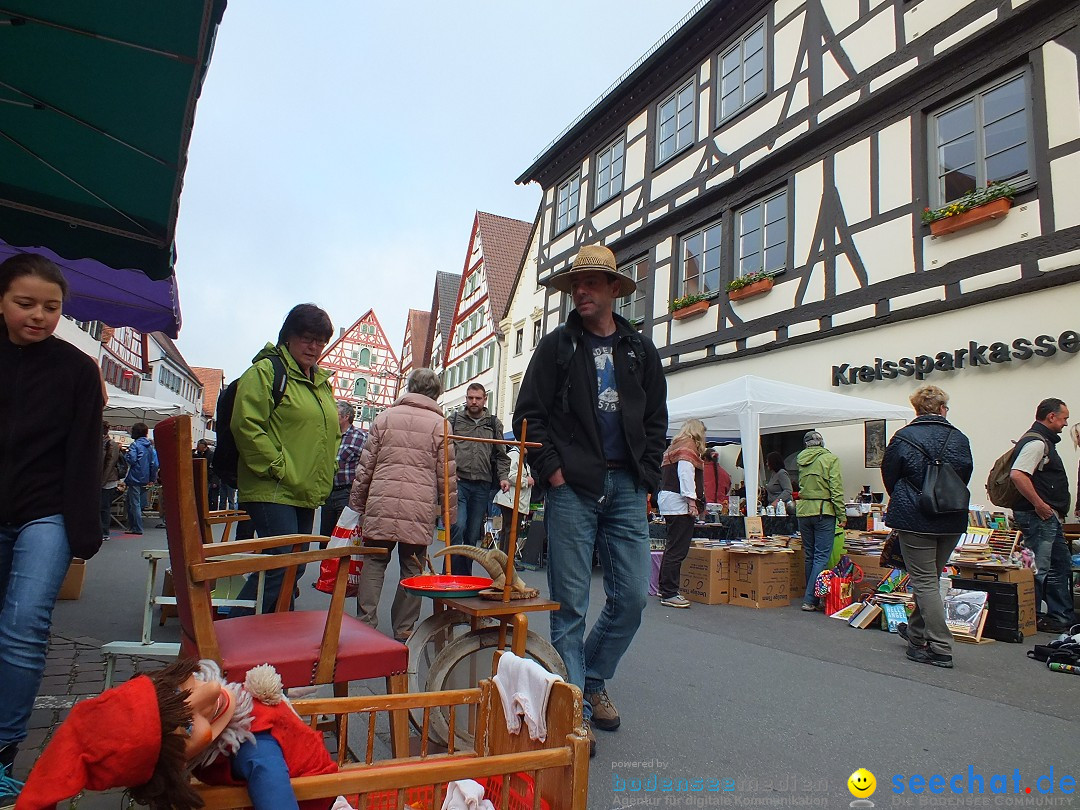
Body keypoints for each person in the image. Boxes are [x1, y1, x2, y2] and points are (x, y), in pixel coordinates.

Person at [513, 244, 667, 755]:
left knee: (633, 599)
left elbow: (655, 422)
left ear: (612, 290)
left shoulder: (638, 350)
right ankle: (573, 707)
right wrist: (553, 473)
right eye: (576, 283)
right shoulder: (558, 346)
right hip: (572, 490)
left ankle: (593, 678)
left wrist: (645, 478)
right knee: (570, 607)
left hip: (625, 486)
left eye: (591, 283)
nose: (580, 290)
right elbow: (528, 416)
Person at [0, 253, 105, 807]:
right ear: (1, 301)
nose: (38, 315)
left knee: (23, 623)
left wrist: (83, 529)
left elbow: (86, 451)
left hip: (48, 510)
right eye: (25, 303)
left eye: (51, 306)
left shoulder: (76, 369)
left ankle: (2, 753)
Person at [17, 659, 339, 810]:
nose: (211, 690)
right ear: (171, 766)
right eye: (187, 726)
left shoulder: (253, 745)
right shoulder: (247, 746)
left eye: (182, 688)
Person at [232, 304, 339, 614]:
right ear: (288, 337)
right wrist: (277, 467)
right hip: (273, 487)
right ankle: (228, 638)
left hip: (303, 490)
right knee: (280, 564)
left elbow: (328, 434)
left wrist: (325, 471)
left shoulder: (320, 382)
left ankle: (274, 636)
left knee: (294, 567)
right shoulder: (266, 372)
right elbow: (246, 425)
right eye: (307, 338)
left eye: (320, 341)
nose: (315, 347)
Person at [348, 369, 456, 642]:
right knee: (412, 568)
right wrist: (448, 515)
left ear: (410, 387)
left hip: (381, 501)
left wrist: (357, 502)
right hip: (418, 508)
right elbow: (447, 476)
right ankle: (404, 630)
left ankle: (365, 622)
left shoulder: (385, 417)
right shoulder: (441, 424)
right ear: (436, 393)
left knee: (374, 562)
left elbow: (366, 466)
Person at [881, 385, 973, 668]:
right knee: (929, 578)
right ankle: (917, 633)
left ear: (917, 409)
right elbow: (964, 473)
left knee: (924, 580)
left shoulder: (903, 438)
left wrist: (906, 497)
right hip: (950, 515)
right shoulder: (958, 437)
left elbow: (890, 475)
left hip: (914, 515)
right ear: (942, 408)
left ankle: (941, 646)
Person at [1009, 397, 1076, 633]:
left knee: (1060, 565)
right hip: (1039, 516)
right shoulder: (1037, 443)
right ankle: (1032, 615)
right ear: (1051, 417)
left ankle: (1060, 616)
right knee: (1040, 568)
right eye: (1064, 418)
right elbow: (1018, 475)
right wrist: (1040, 505)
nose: (1066, 424)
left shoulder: (1042, 441)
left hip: (1047, 516)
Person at [448, 383, 509, 576]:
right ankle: (450, 575)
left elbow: (501, 454)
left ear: (485, 399)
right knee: (458, 527)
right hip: (459, 483)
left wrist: (504, 477)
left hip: (482, 485)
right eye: (470, 398)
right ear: (466, 399)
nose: (473, 402)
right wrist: (448, 471)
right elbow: (442, 448)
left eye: (478, 398)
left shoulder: (493, 423)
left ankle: (464, 578)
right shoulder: (454, 420)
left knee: (473, 534)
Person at [656, 419, 707, 609]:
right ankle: (669, 592)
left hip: (669, 499)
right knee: (678, 549)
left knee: (672, 547)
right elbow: (685, 474)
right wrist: (692, 501)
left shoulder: (674, 446)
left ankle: (664, 588)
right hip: (679, 503)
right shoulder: (688, 446)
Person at [795, 430, 845, 612]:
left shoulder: (801, 460)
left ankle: (810, 595)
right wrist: (842, 514)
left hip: (804, 511)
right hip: (824, 511)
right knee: (821, 556)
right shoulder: (830, 459)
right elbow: (836, 488)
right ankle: (810, 599)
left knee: (810, 555)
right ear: (822, 443)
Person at [319, 401, 367, 537]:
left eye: (336, 413)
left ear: (346, 417)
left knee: (342, 538)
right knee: (325, 538)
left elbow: (368, 465)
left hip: (347, 493)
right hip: (328, 493)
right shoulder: (328, 435)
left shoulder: (360, 437)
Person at [492, 446, 533, 554]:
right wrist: (526, 481)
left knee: (508, 530)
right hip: (512, 500)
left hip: (513, 500)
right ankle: (507, 561)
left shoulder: (520, 457)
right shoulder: (515, 455)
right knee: (511, 531)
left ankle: (504, 560)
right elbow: (509, 475)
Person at [124, 423, 157, 535]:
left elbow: (132, 460)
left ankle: (136, 527)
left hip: (135, 477)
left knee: (134, 503)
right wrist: (152, 478)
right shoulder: (150, 447)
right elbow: (154, 464)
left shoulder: (135, 445)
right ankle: (133, 526)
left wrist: (126, 455)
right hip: (145, 477)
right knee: (133, 502)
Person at [100, 422, 121, 541]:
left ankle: (104, 532)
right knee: (101, 506)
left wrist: (102, 481)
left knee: (104, 506)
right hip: (102, 479)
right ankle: (101, 530)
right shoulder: (100, 443)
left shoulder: (110, 444)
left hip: (108, 480)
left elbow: (110, 464)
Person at [193, 439, 219, 513]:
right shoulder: (198, 454)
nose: (198, 448)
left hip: (209, 478)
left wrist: (214, 481)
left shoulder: (210, 454)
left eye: (200, 446)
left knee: (209, 496)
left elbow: (213, 468)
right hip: (201, 478)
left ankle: (208, 511)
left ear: (204, 447)